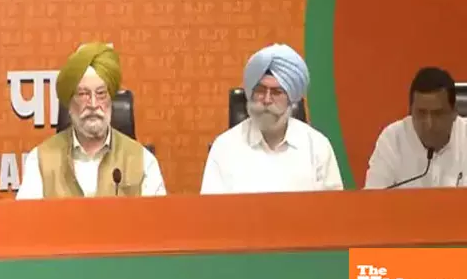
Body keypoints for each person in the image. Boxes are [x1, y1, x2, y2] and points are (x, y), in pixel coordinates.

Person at [17, 42, 166, 198]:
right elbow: (26, 214)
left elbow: (157, 214)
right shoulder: (40, 161)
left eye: (101, 94)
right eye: (83, 94)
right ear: (69, 104)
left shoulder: (143, 162)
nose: (93, 105)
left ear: (111, 99)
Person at [200, 43, 343, 194]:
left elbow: (334, 206)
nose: (267, 100)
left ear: (290, 99)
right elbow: (211, 207)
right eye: (260, 90)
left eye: (276, 92)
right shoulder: (224, 147)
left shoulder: (317, 146)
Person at [365, 67, 466, 189]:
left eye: (438, 114)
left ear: (454, 112)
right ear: (411, 111)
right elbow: (373, 195)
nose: (429, 124)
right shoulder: (393, 140)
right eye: (421, 113)